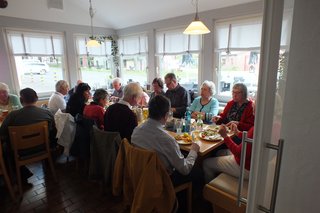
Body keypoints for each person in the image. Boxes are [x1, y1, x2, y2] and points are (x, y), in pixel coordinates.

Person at [131, 95, 200, 184]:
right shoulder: (167, 140)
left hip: (140, 173)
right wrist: (193, 151)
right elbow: (185, 169)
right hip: (161, 180)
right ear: (167, 115)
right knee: (198, 173)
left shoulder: (136, 130)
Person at [0, 88, 57, 183]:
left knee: (5, 148)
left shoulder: (12, 116)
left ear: (21, 100)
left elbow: (2, 134)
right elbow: (53, 131)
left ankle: (19, 177)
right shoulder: (47, 113)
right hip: (43, 147)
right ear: (37, 98)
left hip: (20, 152)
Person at [202, 101, 256, 183]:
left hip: (245, 166)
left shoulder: (257, 128)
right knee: (219, 152)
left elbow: (239, 152)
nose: (253, 110)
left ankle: (209, 188)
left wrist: (225, 136)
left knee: (206, 163)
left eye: (254, 108)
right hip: (250, 160)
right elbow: (249, 138)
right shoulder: (264, 125)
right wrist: (237, 132)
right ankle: (219, 176)